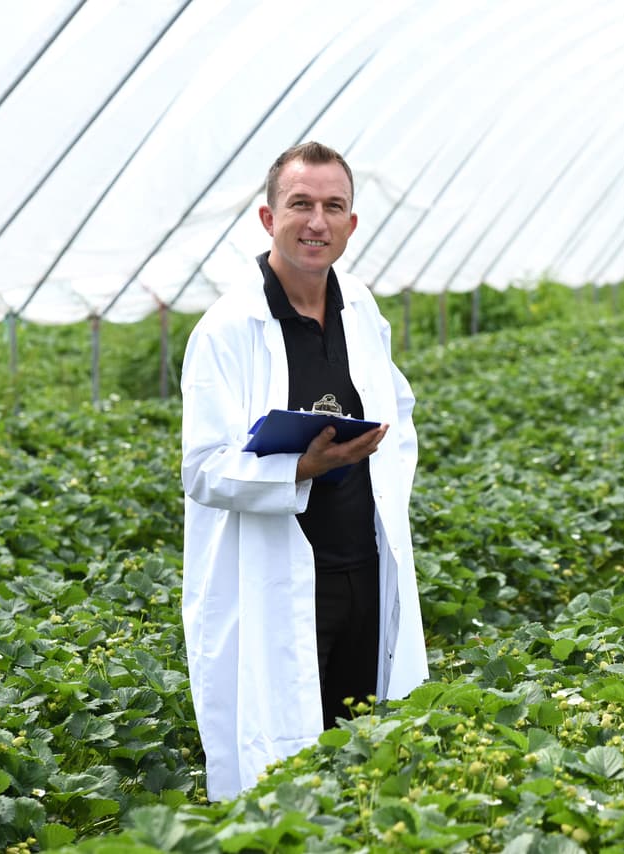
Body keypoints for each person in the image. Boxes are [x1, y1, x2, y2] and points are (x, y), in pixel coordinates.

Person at [180, 141, 427, 802]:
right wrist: (299, 468)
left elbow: (396, 407)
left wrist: (374, 447)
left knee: (360, 751)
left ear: (352, 223)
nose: (316, 222)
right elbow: (202, 471)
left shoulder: (361, 309)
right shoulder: (229, 329)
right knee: (287, 769)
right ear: (268, 218)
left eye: (333, 207)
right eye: (301, 205)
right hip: (281, 580)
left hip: (362, 571)